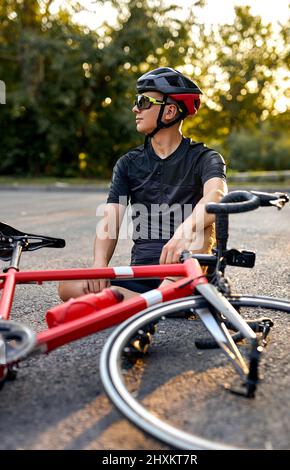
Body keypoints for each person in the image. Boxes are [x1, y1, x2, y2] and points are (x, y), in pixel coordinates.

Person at [59, 67, 227, 301]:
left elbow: (217, 195)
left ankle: (126, 301)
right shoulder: (128, 163)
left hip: (185, 268)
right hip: (143, 272)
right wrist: (99, 266)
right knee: (70, 286)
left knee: (201, 226)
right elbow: (111, 219)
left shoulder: (205, 158)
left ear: (169, 111)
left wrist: (183, 231)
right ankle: (146, 303)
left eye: (143, 101)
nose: (135, 108)